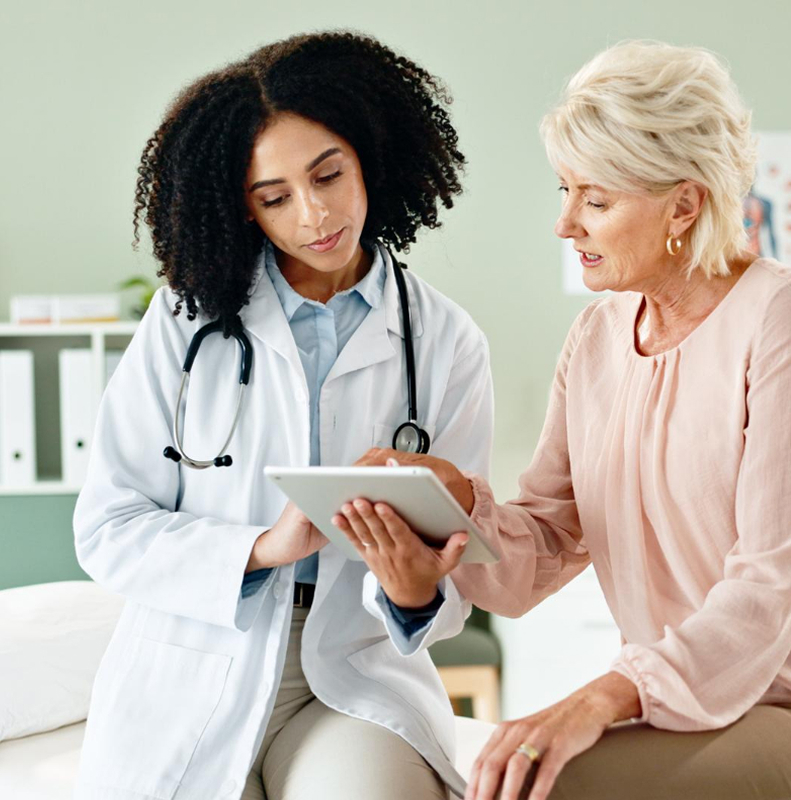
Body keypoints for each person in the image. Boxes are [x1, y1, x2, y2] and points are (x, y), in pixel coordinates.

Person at [336, 40, 791, 800]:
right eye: (564, 190)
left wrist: (598, 699)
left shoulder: (788, 314)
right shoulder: (595, 340)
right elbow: (544, 548)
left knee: (548, 785)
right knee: (507, 777)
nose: (565, 224)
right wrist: (454, 508)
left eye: (595, 199)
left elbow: (769, 584)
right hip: (705, 720)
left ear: (684, 204)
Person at [72, 30, 493, 800]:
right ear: (242, 208)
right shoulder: (183, 324)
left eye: (329, 174)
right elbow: (107, 528)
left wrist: (412, 592)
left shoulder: (446, 341)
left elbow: (462, 555)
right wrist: (263, 547)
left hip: (354, 668)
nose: (316, 213)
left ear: (369, 156)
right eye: (275, 197)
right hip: (198, 662)